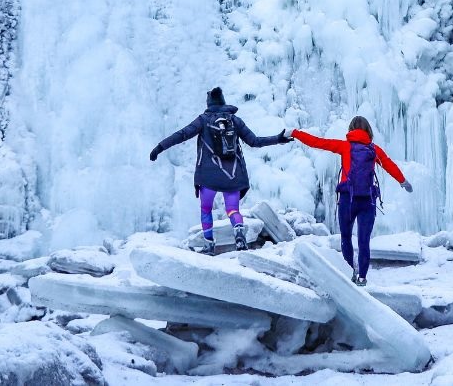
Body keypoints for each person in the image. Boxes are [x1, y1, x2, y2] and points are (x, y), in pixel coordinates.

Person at [150, 87, 291, 253]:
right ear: (223, 102)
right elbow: (254, 141)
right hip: (233, 175)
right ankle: (239, 234)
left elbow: (181, 135)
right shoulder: (235, 120)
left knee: (206, 209)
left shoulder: (203, 120)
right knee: (232, 209)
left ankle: (209, 245)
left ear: (209, 103)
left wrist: (159, 148)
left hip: (208, 176)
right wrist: (278, 138)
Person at [290, 116, 412, 286]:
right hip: (367, 200)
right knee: (364, 241)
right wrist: (403, 181)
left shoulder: (344, 146)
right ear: (368, 130)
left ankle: (349, 273)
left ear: (351, 129)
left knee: (346, 237)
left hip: (348, 198)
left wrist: (295, 133)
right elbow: (389, 165)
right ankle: (362, 277)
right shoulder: (374, 150)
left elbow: (317, 142)